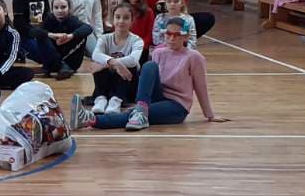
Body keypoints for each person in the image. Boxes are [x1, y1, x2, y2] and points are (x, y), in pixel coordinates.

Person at [74, 17, 226, 131]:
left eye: (177, 35)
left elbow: (201, 87)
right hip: (156, 97)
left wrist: (210, 115)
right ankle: (140, 110)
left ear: (186, 37)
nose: (172, 38)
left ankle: (90, 119)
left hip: (176, 106)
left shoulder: (194, 57)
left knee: (133, 114)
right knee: (149, 66)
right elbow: (148, 79)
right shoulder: (159, 52)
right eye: (168, 34)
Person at [86, 1, 145, 114]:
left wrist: (109, 64)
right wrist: (114, 63)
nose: (121, 21)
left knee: (128, 66)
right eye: (118, 17)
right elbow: (95, 54)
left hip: (128, 84)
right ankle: (101, 99)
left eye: (126, 18)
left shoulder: (137, 40)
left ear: (132, 21)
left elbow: (133, 60)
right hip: (108, 80)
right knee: (99, 63)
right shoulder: (104, 38)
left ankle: (116, 101)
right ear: (112, 19)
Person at [10, 0, 64, 74]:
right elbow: (20, 24)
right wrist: (38, 33)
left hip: (42, 33)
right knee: (46, 56)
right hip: (26, 36)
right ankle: (54, 63)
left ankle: (55, 63)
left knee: (55, 47)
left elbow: (47, 17)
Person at [41, 0, 95, 76]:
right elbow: (33, 31)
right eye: (56, 8)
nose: (59, 10)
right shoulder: (49, 20)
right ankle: (53, 64)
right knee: (41, 35)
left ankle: (67, 66)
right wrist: (52, 35)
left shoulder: (73, 20)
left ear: (69, 9)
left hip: (70, 62)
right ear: (52, 9)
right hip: (54, 58)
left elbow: (88, 28)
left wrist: (70, 36)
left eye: (63, 7)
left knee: (81, 34)